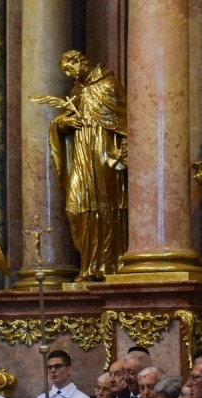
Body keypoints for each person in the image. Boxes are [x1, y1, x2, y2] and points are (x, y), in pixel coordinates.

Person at [47, 49, 128, 281]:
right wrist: (66, 122)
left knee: (105, 208)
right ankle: (88, 264)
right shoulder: (76, 91)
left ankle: (105, 264)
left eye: (70, 69)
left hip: (103, 155)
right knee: (75, 208)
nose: (70, 75)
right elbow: (60, 123)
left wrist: (124, 149)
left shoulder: (109, 85)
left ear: (80, 62)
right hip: (81, 155)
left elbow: (126, 123)